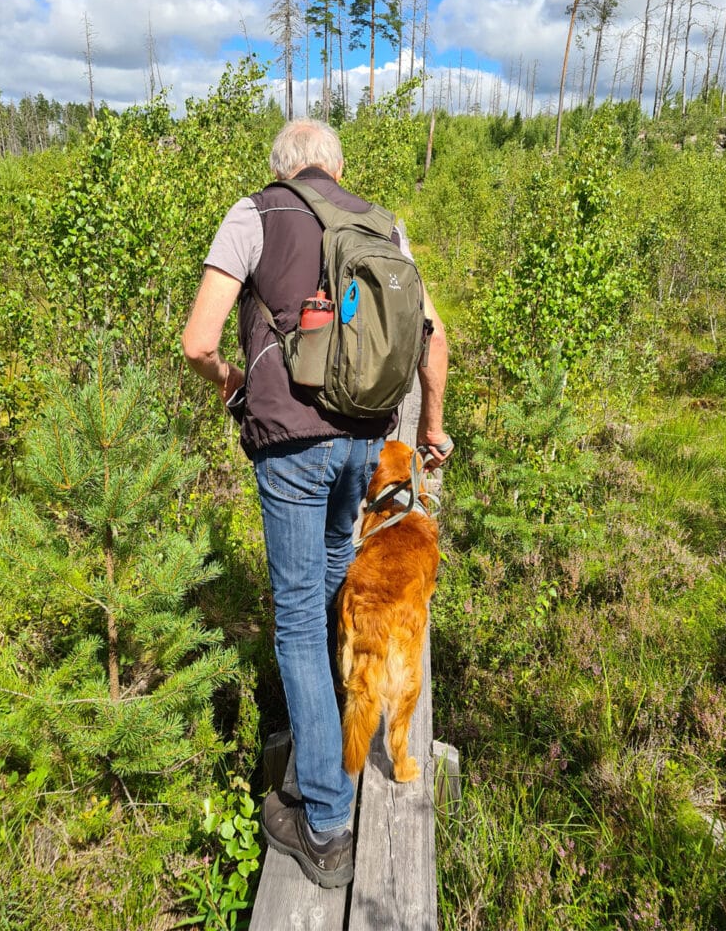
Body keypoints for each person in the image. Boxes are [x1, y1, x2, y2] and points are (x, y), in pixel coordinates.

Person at [182, 118, 451, 889]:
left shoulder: (255, 213)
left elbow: (199, 340)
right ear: (334, 167)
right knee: (336, 569)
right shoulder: (382, 224)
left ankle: (327, 822)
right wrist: (429, 428)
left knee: (297, 617)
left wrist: (233, 383)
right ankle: (337, 708)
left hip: (293, 448)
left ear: (283, 168)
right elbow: (431, 341)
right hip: (368, 442)